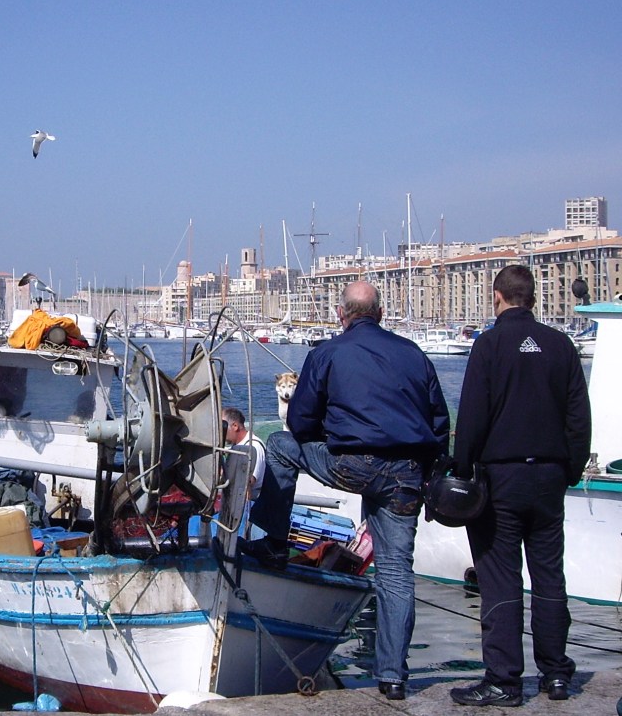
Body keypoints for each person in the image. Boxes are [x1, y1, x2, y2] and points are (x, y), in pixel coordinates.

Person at [247, 280, 450, 701]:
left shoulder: (328, 353)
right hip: (406, 474)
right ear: (381, 314)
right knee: (396, 572)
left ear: (341, 314)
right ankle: (393, 676)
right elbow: (438, 424)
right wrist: (428, 478)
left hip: (352, 464)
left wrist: (330, 434)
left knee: (280, 446)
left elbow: (299, 424)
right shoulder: (414, 354)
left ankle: (275, 543)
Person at [450, 265, 591, 707]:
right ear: (532, 298)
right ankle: (556, 673)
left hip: (502, 476)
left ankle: (504, 679)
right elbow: (578, 417)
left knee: (500, 579)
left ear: (497, 297)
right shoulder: (561, 345)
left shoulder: (489, 345)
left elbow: (472, 416)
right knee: (549, 576)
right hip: (549, 476)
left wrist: (462, 468)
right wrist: (570, 470)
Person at [222, 406, 265, 503]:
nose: (221, 432)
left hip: (252, 500)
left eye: (223, 427)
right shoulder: (236, 446)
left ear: (235, 426)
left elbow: (248, 481)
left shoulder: (253, 447)